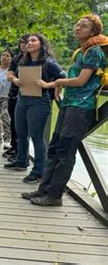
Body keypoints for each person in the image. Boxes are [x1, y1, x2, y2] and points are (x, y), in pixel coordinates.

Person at [22, 14, 106, 206]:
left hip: (81, 107)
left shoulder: (94, 52)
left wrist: (57, 82)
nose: (77, 28)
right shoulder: (81, 51)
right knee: (54, 146)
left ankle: (54, 195)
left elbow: (81, 81)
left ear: (93, 31)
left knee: (66, 150)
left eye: (83, 26)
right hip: (69, 104)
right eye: (77, 25)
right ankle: (44, 189)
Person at [5, 34, 65, 184]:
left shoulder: (49, 62)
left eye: (33, 40)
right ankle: (21, 162)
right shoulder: (23, 60)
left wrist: (48, 85)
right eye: (28, 41)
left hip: (40, 102)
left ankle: (39, 171)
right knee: (21, 133)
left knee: (37, 137)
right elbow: (10, 74)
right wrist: (15, 80)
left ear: (41, 44)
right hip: (22, 99)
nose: (29, 43)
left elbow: (63, 77)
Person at [3, 35, 29, 160]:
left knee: (23, 126)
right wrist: (14, 79)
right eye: (21, 43)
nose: (23, 45)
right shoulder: (16, 59)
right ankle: (14, 147)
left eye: (26, 42)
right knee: (13, 121)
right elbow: (9, 75)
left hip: (28, 96)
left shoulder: (35, 58)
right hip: (13, 93)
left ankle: (21, 152)